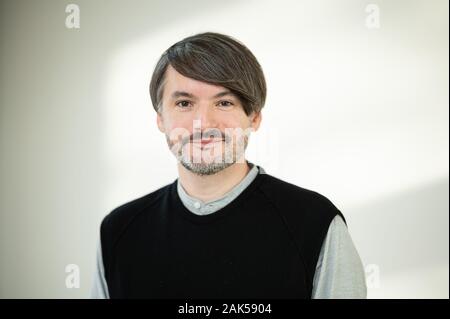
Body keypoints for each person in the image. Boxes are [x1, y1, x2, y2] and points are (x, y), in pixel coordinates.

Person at [91, 32, 367, 299]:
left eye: (224, 102)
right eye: (184, 103)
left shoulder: (314, 224)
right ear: (161, 118)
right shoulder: (119, 232)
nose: (204, 124)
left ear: (254, 117)